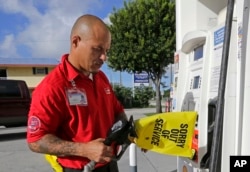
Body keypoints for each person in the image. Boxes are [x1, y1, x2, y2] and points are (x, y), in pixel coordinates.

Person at [26, 14, 128, 172]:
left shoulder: (100, 78)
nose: (104, 57)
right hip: (79, 169)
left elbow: (118, 112)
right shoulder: (52, 87)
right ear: (75, 42)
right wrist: (84, 149)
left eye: (106, 50)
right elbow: (36, 140)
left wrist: (124, 132)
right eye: (97, 49)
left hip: (109, 165)